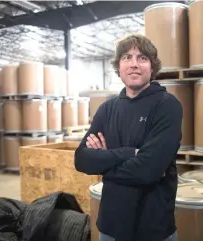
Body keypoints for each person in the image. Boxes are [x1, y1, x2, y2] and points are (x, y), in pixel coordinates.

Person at [74, 34, 183, 241]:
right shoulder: (107, 109)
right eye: (126, 57)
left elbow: (149, 170)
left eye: (142, 58)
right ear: (119, 67)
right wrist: (129, 153)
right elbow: (81, 159)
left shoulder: (167, 106)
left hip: (153, 229)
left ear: (152, 67)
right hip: (109, 226)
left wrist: (104, 162)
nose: (134, 64)